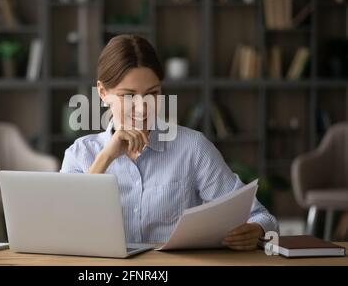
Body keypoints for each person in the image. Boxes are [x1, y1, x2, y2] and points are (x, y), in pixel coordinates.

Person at [60, 34, 278, 250]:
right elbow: (63, 228)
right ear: (103, 93)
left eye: (152, 93)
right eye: (128, 96)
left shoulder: (192, 148)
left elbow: (261, 216)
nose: (143, 108)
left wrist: (256, 231)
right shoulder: (80, 154)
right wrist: (106, 157)